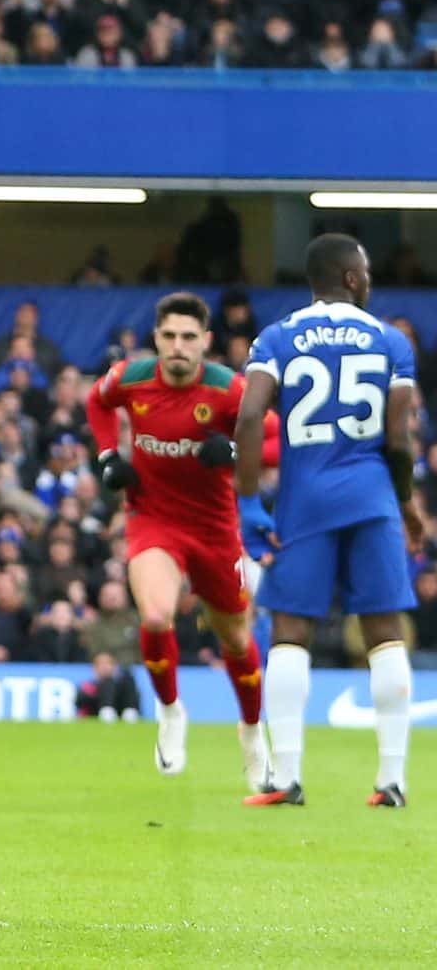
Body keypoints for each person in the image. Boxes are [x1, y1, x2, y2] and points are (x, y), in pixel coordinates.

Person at [238, 234, 421, 808]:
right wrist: (408, 506)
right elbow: (399, 437)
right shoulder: (391, 340)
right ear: (349, 277)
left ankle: (286, 778)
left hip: (306, 499)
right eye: (364, 272)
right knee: (384, 634)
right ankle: (391, 781)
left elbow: (247, 421)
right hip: (372, 498)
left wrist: (247, 504)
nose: (368, 280)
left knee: (291, 635)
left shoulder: (278, 337)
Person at [86, 292, 277, 791]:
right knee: (154, 616)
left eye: (188, 337)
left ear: (206, 342)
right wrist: (109, 455)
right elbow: (96, 401)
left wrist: (235, 449)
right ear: (157, 339)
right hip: (153, 520)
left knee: (236, 639)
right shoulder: (130, 377)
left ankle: (253, 732)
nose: (178, 346)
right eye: (169, 336)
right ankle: (171, 710)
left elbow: (277, 437)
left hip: (215, 529)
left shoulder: (229, 390)